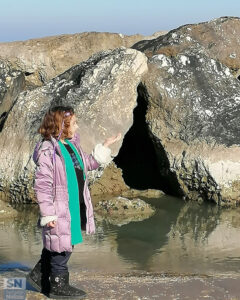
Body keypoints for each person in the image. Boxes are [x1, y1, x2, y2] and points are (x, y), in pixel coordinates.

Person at [26, 105, 121, 299]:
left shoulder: (71, 145)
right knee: (63, 244)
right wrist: (48, 214)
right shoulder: (48, 150)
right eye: (74, 123)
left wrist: (104, 147)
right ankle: (58, 285)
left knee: (58, 241)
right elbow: (42, 185)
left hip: (74, 203)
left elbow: (87, 163)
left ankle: (38, 275)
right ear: (61, 126)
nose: (77, 127)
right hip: (59, 206)